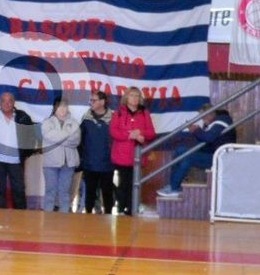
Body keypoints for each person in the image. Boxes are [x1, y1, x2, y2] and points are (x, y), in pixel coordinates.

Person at [156, 107, 237, 196]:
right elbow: (203, 142)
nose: (202, 120)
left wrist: (196, 130)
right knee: (180, 150)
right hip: (211, 154)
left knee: (188, 158)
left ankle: (175, 188)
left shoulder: (222, 121)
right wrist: (196, 131)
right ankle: (172, 184)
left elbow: (208, 138)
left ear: (210, 114)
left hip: (220, 158)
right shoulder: (212, 124)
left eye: (203, 117)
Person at [0, 91, 36, 210]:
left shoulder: (23, 117)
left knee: (19, 190)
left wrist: (26, 153)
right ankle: (1, 217)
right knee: (0, 191)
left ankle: (21, 218)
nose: (7, 103)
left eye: (9, 100)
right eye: (4, 101)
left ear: (13, 102)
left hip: (16, 161)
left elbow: (32, 136)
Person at [110, 86, 156, 216]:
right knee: (123, 183)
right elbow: (114, 132)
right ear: (126, 97)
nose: (135, 98)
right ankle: (121, 207)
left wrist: (140, 133)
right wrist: (130, 135)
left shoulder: (145, 113)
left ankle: (131, 209)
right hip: (121, 155)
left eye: (137, 96)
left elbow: (151, 133)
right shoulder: (118, 113)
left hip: (137, 155)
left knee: (134, 184)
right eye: (132, 95)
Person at [39, 98, 80, 212]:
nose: (62, 109)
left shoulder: (74, 122)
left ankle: (64, 219)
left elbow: (75, 140)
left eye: (65, 106)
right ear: (54, 108)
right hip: (51, 163)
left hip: (68, 163)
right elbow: (49, 136)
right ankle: (47, 218)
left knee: (65, 192)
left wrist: (59, 138)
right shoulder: (47, 122)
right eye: (59, 106)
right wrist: (67, 135)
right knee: (50, 191)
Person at [78, 90, 115, 214]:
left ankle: (109, 216)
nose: (91, 103)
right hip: (89, 163)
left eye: (94, 100)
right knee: (89, 193)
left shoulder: (114, 119)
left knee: (107, 193)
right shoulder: (86, 119)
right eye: (90, 100)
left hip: (107, 163)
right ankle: (88, 217)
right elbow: (80, 140)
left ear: (102, 102)